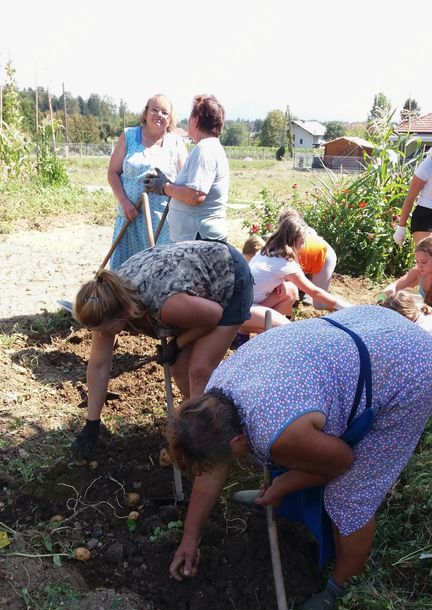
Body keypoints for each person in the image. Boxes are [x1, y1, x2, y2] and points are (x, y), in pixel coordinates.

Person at [167, 305, 432, 610]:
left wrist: (283, 484)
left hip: (408, 368)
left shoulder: (276, 433)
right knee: (301, 454)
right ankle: (291, 492)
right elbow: (213, 471)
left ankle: (340, 587)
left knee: (349, 494)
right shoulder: (217, 394)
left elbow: (341, 462)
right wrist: (190, 536)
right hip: (373, 324)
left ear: (236, 442)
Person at [71, 240, 253, 458]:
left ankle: (208, 445)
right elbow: (99, 365)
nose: (102, 335)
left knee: (199, 370)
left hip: (227, 277)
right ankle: (208, 423)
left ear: (119, 314)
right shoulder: (104, 300)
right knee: (180, 370)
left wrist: (178, 344)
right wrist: (92, 423)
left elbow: (214, 316)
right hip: (190, 285)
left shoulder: (165, 306)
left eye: (105, 329)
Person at [107, 93, 187, 269]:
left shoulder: (176, 142)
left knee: (159, 272)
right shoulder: (129, 136)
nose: (159, 115)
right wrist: (124, 202)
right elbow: (112, 173)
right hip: (130, 218)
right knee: (125, 272)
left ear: (170, 119)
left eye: (165, 112)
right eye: (154, 110)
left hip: (163, 223)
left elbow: (184, 181)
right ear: (145, 113)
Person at [239, 212, 350, 335]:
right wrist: (346, 307)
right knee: (288, 331)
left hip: (244, 303)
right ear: (294, 241)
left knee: (290, 289)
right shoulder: (285, 264)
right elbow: (314, 292)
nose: (304, 245)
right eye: (302, 241)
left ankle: (259, 330)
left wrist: (279, 283)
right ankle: (242, 332)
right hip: (242, 310)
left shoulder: (267, 250)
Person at [145, 94, 229, 243]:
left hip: (200, 239)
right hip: (198, 238)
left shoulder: (205, 149)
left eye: (190, 116)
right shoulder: (210, 147)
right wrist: (171, 185)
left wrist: (165, 187)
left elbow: (195, 196)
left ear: (196, 120)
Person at [393, 149, 432, 247]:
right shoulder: (427, 166)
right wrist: (401, 227)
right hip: (426, 217)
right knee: (426, 254)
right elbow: (410, 198)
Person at [383, 235, 432, 305]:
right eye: (417, 261)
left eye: (424, 262)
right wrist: (382, 298)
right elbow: (395, 286)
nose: (420, 266)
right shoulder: (418, 271)